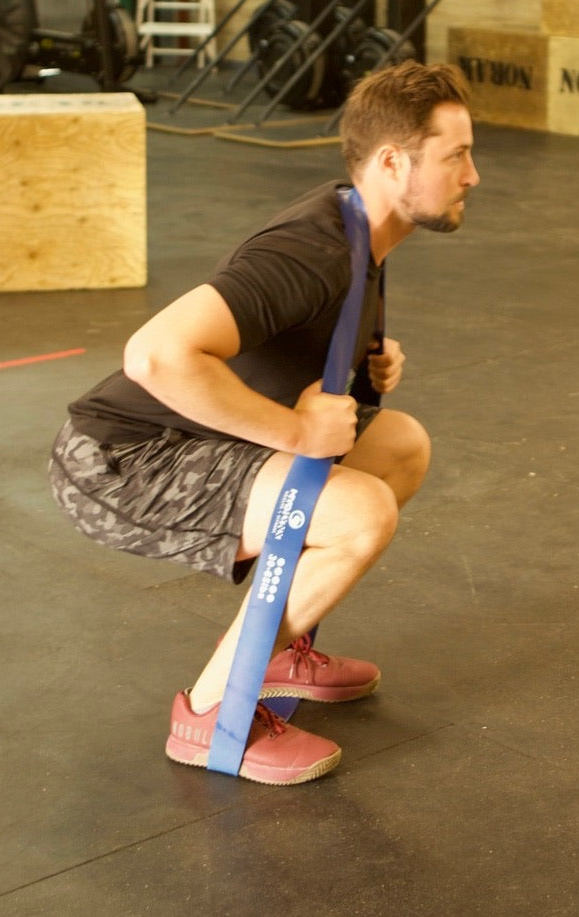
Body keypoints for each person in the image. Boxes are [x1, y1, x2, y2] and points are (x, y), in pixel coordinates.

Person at [49, 61, 479, 785]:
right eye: (456, 155)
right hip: (121, 458)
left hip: (193, 438)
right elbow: (155, 355)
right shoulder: (309, 249)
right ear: (390, 162)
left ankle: (281, 653)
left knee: (399, 445)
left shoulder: (361, 237)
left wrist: (368, 363)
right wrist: (297, 433)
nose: (472, 174)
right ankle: (213, 714)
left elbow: (292, 358)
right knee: (359, 511)